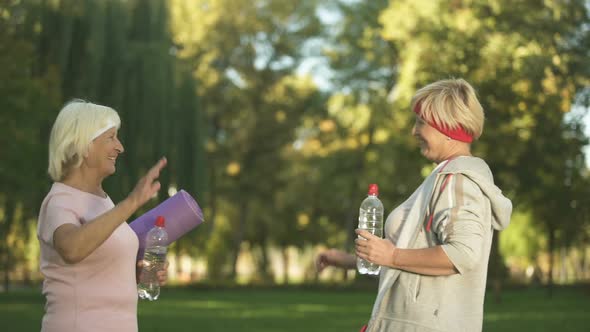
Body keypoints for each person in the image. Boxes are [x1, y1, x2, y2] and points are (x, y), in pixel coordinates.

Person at [316, 79, 512, 332]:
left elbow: (463, 254)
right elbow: (415, 254)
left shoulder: (456, 181)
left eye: (421, 122)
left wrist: (392, 256)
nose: (414, 131)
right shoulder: (444, 179)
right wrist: (350, 260)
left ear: (447, 127)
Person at [37, 100, 169, 332]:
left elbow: (99, 263)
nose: (120, 147)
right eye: (111, 137)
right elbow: (72, 248)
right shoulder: (60, 200)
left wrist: (138, 272)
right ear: (84, 144)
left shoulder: (103, 202)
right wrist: (132, 202)